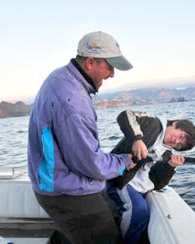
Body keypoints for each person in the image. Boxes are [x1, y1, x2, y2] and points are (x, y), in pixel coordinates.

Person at [27, 31, 136, 244]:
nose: (113, 74)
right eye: (110, 66)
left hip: (54, 183)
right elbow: (91, 164)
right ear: (90, 62)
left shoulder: (60, 77)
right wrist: (124, 161)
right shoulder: (73, 102)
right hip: (65, 193)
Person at [106, 110, 195, 244]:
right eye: (180, 136)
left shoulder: (167, 154)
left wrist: (171, 166)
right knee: (139, 211)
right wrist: (136, 139)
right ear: (176, 124)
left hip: (142, 188)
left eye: (179, 145)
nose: (176, 141)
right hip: (120, 178)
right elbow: (125, 115)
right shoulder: (152, 123)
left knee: (147, 214)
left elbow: (157, 184)